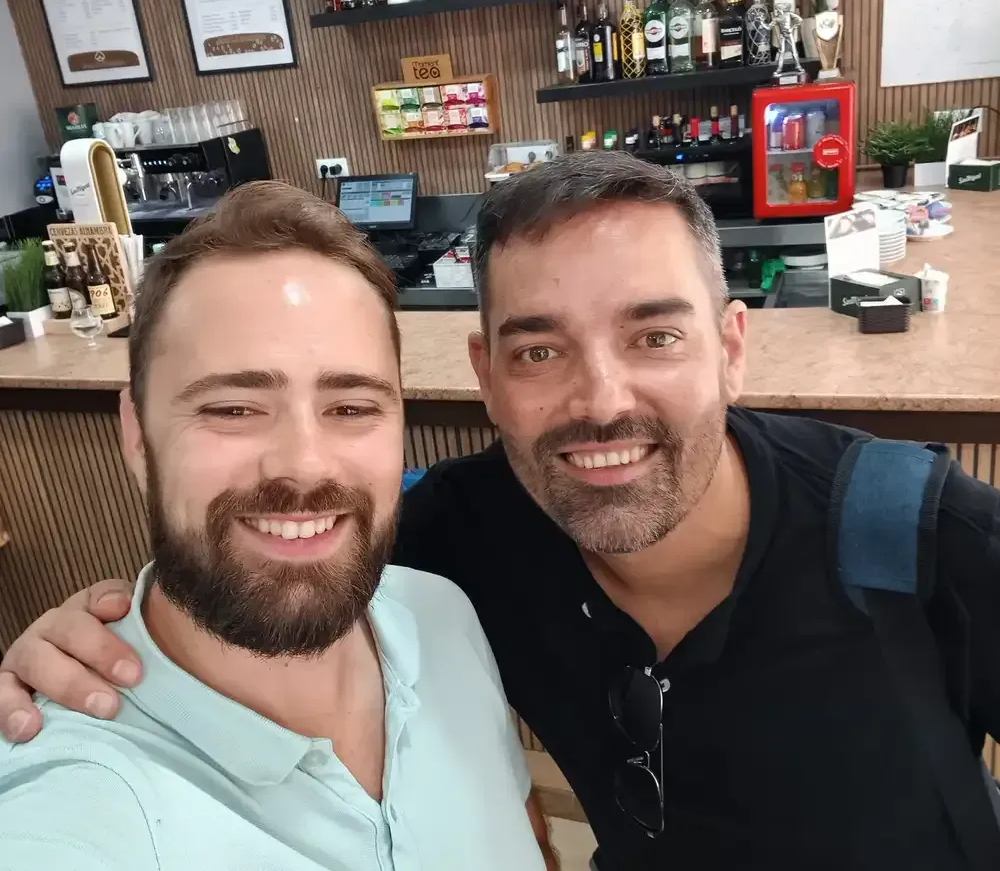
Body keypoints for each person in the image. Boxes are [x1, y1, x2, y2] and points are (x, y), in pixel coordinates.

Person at [3, 153, 1000, 870]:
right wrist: (77, 638)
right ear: (483, 376)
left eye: (653, 337)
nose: (599, 399)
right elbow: (277, 561)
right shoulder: (458, 551)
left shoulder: (919, 532)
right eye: (536, 350)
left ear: (731, 345)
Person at [0, 182, 553, 870]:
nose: (303, 465)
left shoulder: (442, 617)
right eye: (233, 409)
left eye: (352, 407)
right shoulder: (80, 808)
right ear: (137, 437)